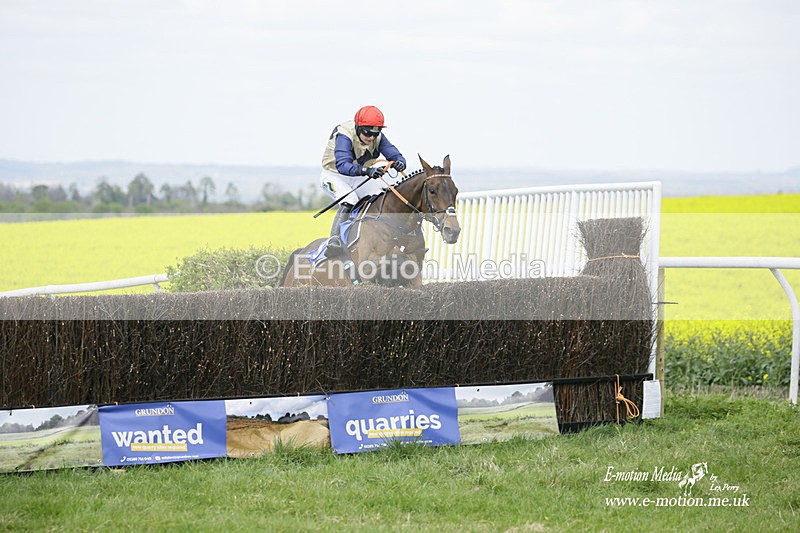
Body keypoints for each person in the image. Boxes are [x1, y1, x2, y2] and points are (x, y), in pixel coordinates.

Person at [320, 105, 407, 256]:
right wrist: (367, 171)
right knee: (350, 198)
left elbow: (393, 153)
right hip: (334, 175)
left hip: (358, 176)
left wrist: (400, 161)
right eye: (367, 132)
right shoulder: (344, 133)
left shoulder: (377, 136)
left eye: (375, 133)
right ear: (358, 126)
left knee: (380, 197)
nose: (371, 137)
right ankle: (334, 239)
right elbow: (343, 165)